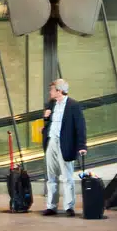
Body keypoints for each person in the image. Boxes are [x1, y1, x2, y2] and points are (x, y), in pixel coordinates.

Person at [40, 78, 87, 217]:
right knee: (51, 176)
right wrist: (46, 119)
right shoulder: (51, 104)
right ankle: (51, 206)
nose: (50, 92)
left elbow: (80, 127)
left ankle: (69, 207)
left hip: (65, 144)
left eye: (52, 89)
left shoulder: (73, 105)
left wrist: (82, 145)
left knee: (67, 177)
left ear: (59, 91)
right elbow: (48, 123)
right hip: (51, 142)